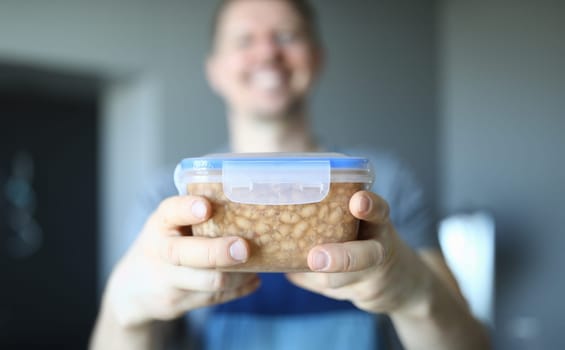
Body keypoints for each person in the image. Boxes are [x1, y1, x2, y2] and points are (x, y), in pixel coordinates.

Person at [90, 0, 490, 349]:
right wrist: (125, 310)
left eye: (286, 36)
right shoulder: (171, 195)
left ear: (316, 57)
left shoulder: (385, 183)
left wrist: (414, 290)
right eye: (244, 40)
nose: (267, 52)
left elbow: (473, 344)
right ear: (214, 70)